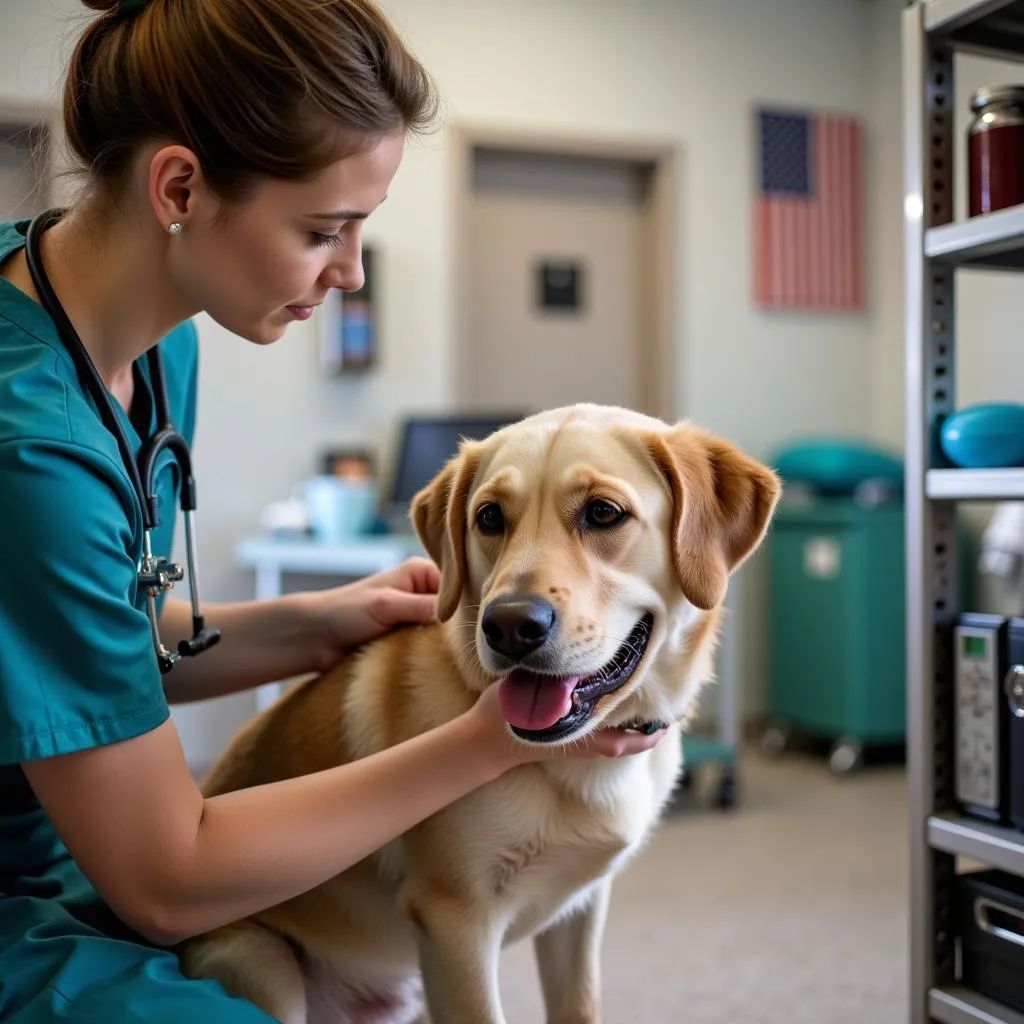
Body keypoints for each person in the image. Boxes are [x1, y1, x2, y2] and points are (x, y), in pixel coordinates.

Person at [0, 1, 668, 1020]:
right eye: (324, 231)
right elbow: (168, 877)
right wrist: (495, 741)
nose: (351, 272)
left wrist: (317, 621)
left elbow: (91, 641)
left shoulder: (147, 343)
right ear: (179, 186)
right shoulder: (31, 450)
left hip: (65, 817)